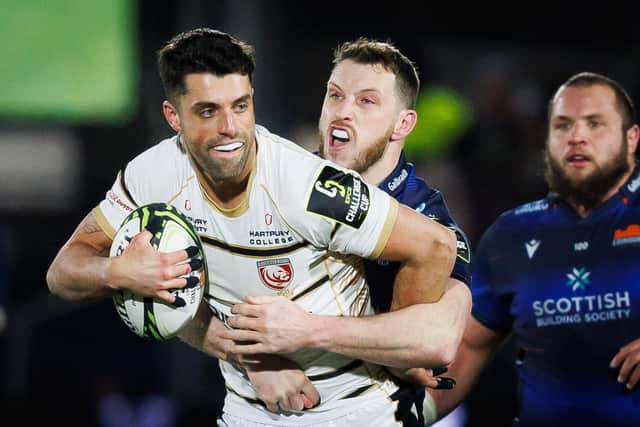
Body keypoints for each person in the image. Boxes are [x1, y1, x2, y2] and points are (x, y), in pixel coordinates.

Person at [46, 28, 460, 426]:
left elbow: (436, 246)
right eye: (208, 110)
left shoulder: (307, 185)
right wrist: (118, 272)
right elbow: (63, 273)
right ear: (173, 116)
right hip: (248, 411)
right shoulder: (151, 176)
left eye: (240, 106)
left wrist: (397, 363)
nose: (230, 127)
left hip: (353, 414)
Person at [220, 38, 473, 425]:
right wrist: (252, 355)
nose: (343, 112)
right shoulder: (279, 184)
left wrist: (307, 331)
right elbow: (211, 283)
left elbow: (435, 340)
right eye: (335, 96)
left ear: (403, 124)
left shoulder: (429, 223)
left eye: (366, 101)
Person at [427, 72, 640, 426]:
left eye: (595, 123)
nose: (577, 136)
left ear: (631, 138)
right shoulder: (511, 234)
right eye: (563, 125)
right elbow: (470, 345)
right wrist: (402, 418)